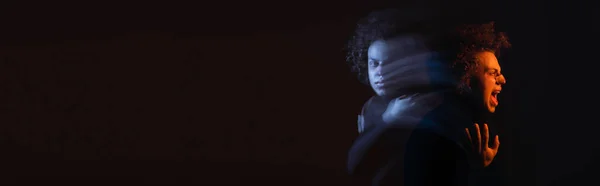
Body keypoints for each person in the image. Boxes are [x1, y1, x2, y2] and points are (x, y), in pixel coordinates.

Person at [345, 7, 510, 186]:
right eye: (374, 64)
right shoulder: (373, 107)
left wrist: (476, 168)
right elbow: (358, 168)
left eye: (391, 63)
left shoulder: (435, 107)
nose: (381, 73)